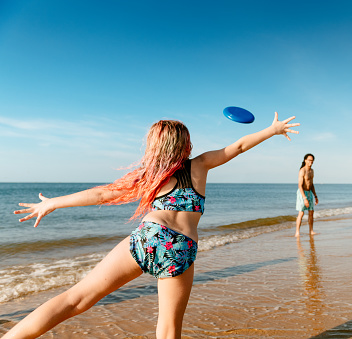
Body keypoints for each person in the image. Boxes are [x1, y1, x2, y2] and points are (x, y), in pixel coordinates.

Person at [3, 112, 299, 339]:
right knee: (168, 328)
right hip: (179, 249)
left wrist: (53, 202)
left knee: (76, 299)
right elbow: (238, 146)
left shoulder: (148, 177)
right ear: (186, 144)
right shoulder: (199, 165)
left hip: (148, 236)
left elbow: (101, 194)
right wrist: (272, 130)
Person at [294, 153, 318, 237]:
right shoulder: (302, 171)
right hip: (302, 193)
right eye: (309, 160)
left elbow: (311, 184)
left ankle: (311, 231)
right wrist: (304, 198)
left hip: (309, 193)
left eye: (312, 160)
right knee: (301, 213)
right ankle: (297, 232)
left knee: (311, 212)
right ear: (305, 160)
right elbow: (300, 185)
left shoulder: (312, 171)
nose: (311, 162)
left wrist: (315, 196)